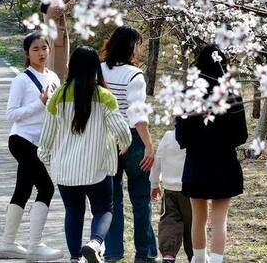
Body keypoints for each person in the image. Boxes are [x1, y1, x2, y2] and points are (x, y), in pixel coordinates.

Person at [38, 46, 132, 263]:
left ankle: (75, 257)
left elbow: (47, 136)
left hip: (65, 170)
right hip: (97, 168)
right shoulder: (104, 96)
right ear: (95, 69)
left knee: (73, 212)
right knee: (104, 209)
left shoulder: (58, 96)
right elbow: (122, 130)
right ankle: (95, 243)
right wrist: (124, 144)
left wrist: (47, 158)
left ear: (71, 67)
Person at [175, 45, 247, 263]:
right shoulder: (231, 93)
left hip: (196, 162)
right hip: (224, 162)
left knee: (198, 218)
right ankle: (215, 261)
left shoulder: (187, 94)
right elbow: (241, 135)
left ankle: (198, 260)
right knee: (219, 220)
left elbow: (181, 136)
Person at [0, 32, 62, 262]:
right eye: (35, 49)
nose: (42, 52)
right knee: (46, 188)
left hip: (40, 142)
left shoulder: (53, 77)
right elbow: (11, 114)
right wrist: (39, 103)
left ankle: (8, 244)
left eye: (44, 48)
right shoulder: (22, 80)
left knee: (23, 191)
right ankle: (35, 246)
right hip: (22, 140)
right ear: (27, 53)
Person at [101, 26, 158, 263]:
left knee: (112, 199)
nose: (140, 50)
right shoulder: (134, 75)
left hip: (107, 139)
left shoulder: (100, 70)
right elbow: (137, 114)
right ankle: (144, 253)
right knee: (141, 199)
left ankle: (114, 252)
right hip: (133, 138)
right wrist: (149, 145)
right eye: (138, 45)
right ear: (132, 47)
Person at [150, 128, 193, 263]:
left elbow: (157, 161)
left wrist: (154, 184)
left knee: (169, 221)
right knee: (193, 224)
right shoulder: (198, 135)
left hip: (170, 190)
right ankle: (196, 255)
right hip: (191, 190)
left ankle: (168, 255)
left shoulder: (168, 136)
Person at [41, 0, 75, 81]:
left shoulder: (49, 6)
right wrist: (73, 0)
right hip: (56, 41)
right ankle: (56, 85)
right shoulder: (51, 9)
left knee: (60, 65)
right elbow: (63, 8)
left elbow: (63, 4)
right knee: (56, 66)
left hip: (57, 39)